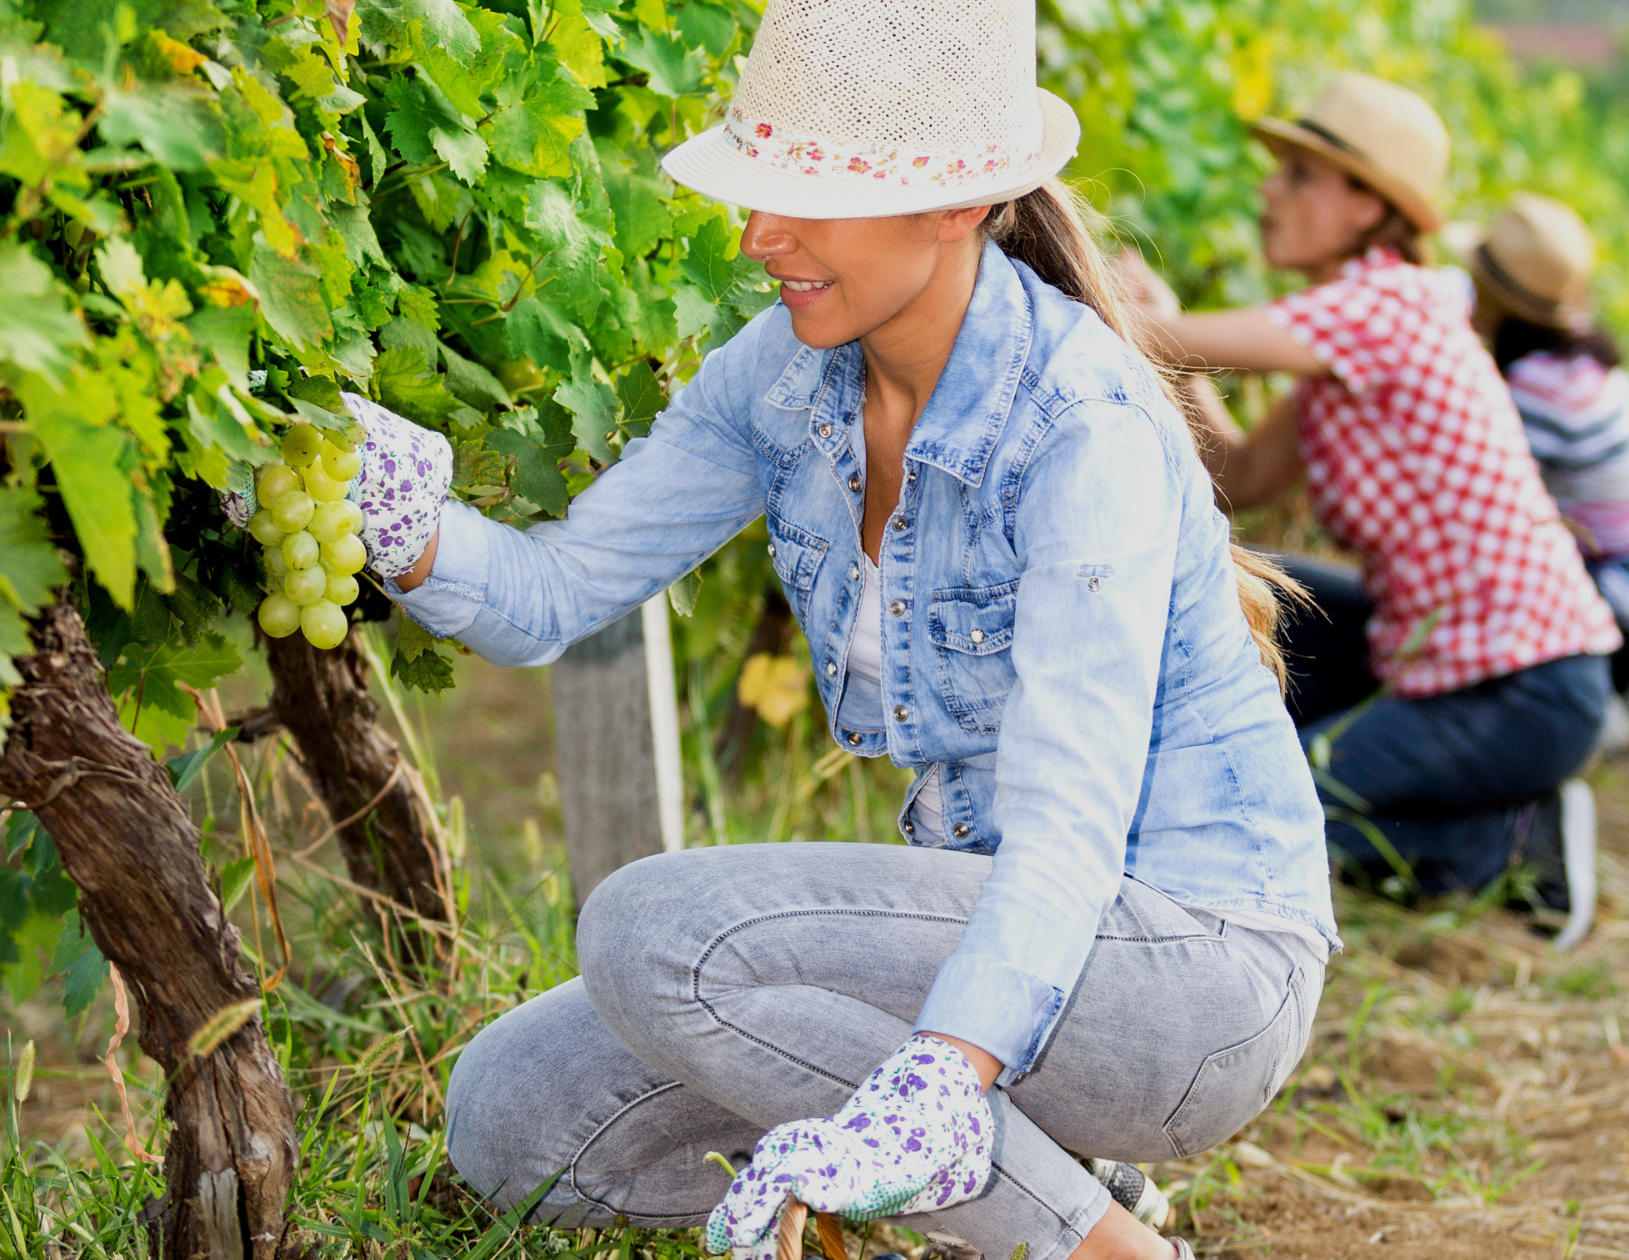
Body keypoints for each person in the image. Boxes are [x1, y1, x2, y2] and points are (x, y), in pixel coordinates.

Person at [251, 4, 1339, 1259]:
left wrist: (945, 1066)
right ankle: (1035, 1165)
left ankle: (1091, 1239)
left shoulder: (1079, 429)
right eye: (760, 189)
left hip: (1188, 972)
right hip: (1005, 931)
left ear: (958, 203)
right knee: (515, 1119)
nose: (760, 236)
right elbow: (547, 597)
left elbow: (1067, 823)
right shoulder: (781, 373)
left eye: (812, 197)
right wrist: (390, 509)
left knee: (654, 933)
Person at [1119, 73, 1619, 948]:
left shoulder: (1387, 304)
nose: (1269, 191)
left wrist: (1107, 298)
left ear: (1368, 207)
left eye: (1301, 176)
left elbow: (1160, 340)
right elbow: (1240, 471)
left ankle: (1508, 843)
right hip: (1467, 666)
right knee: (1254, 592)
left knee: (1264, 814)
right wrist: (1167, 333)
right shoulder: (1351, 333)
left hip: (1523, 690)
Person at [1444, 195, 1629, 755]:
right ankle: (1625, 687)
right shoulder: (1572, 359)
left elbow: (1483, 498)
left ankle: (1595, 717)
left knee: (1493, 572)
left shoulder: (1543, 389)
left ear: (1496, 300)